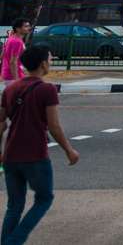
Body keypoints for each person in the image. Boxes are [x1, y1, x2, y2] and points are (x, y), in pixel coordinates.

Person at [0, 45, 79, 245]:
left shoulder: (10, 89)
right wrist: (69, 150)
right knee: (44, 199)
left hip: (10, 155)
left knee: (14, 206)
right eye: (50, 59)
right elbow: (54, 126)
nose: (51, 62)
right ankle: (13, 241)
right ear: (43, 64)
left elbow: (1, 124)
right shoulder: (47, 89)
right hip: (35, 154)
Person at [1, 19, 31, 87]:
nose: (28, 28)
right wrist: (16, 80)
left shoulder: (11, 38)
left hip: (9, 74)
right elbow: (13, 62)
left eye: (28, 26)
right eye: (26, 26)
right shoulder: (17, 42)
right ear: (18, 29)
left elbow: (2, 56)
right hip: (13, 76)